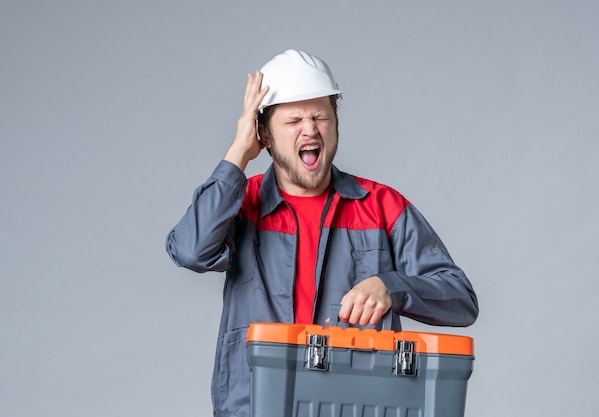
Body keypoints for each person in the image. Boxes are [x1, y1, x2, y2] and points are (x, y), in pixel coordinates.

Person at [165, 49, 478, 417]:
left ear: (336, 124)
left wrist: (391, 287)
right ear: (263, 134)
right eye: (294, 119)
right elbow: (190, 250)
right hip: (255, 406)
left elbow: (461, 300)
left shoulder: (381, 205)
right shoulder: (241, 203)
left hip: (356, 406)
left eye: (321, 117)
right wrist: (237, 152)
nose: (310, 129)